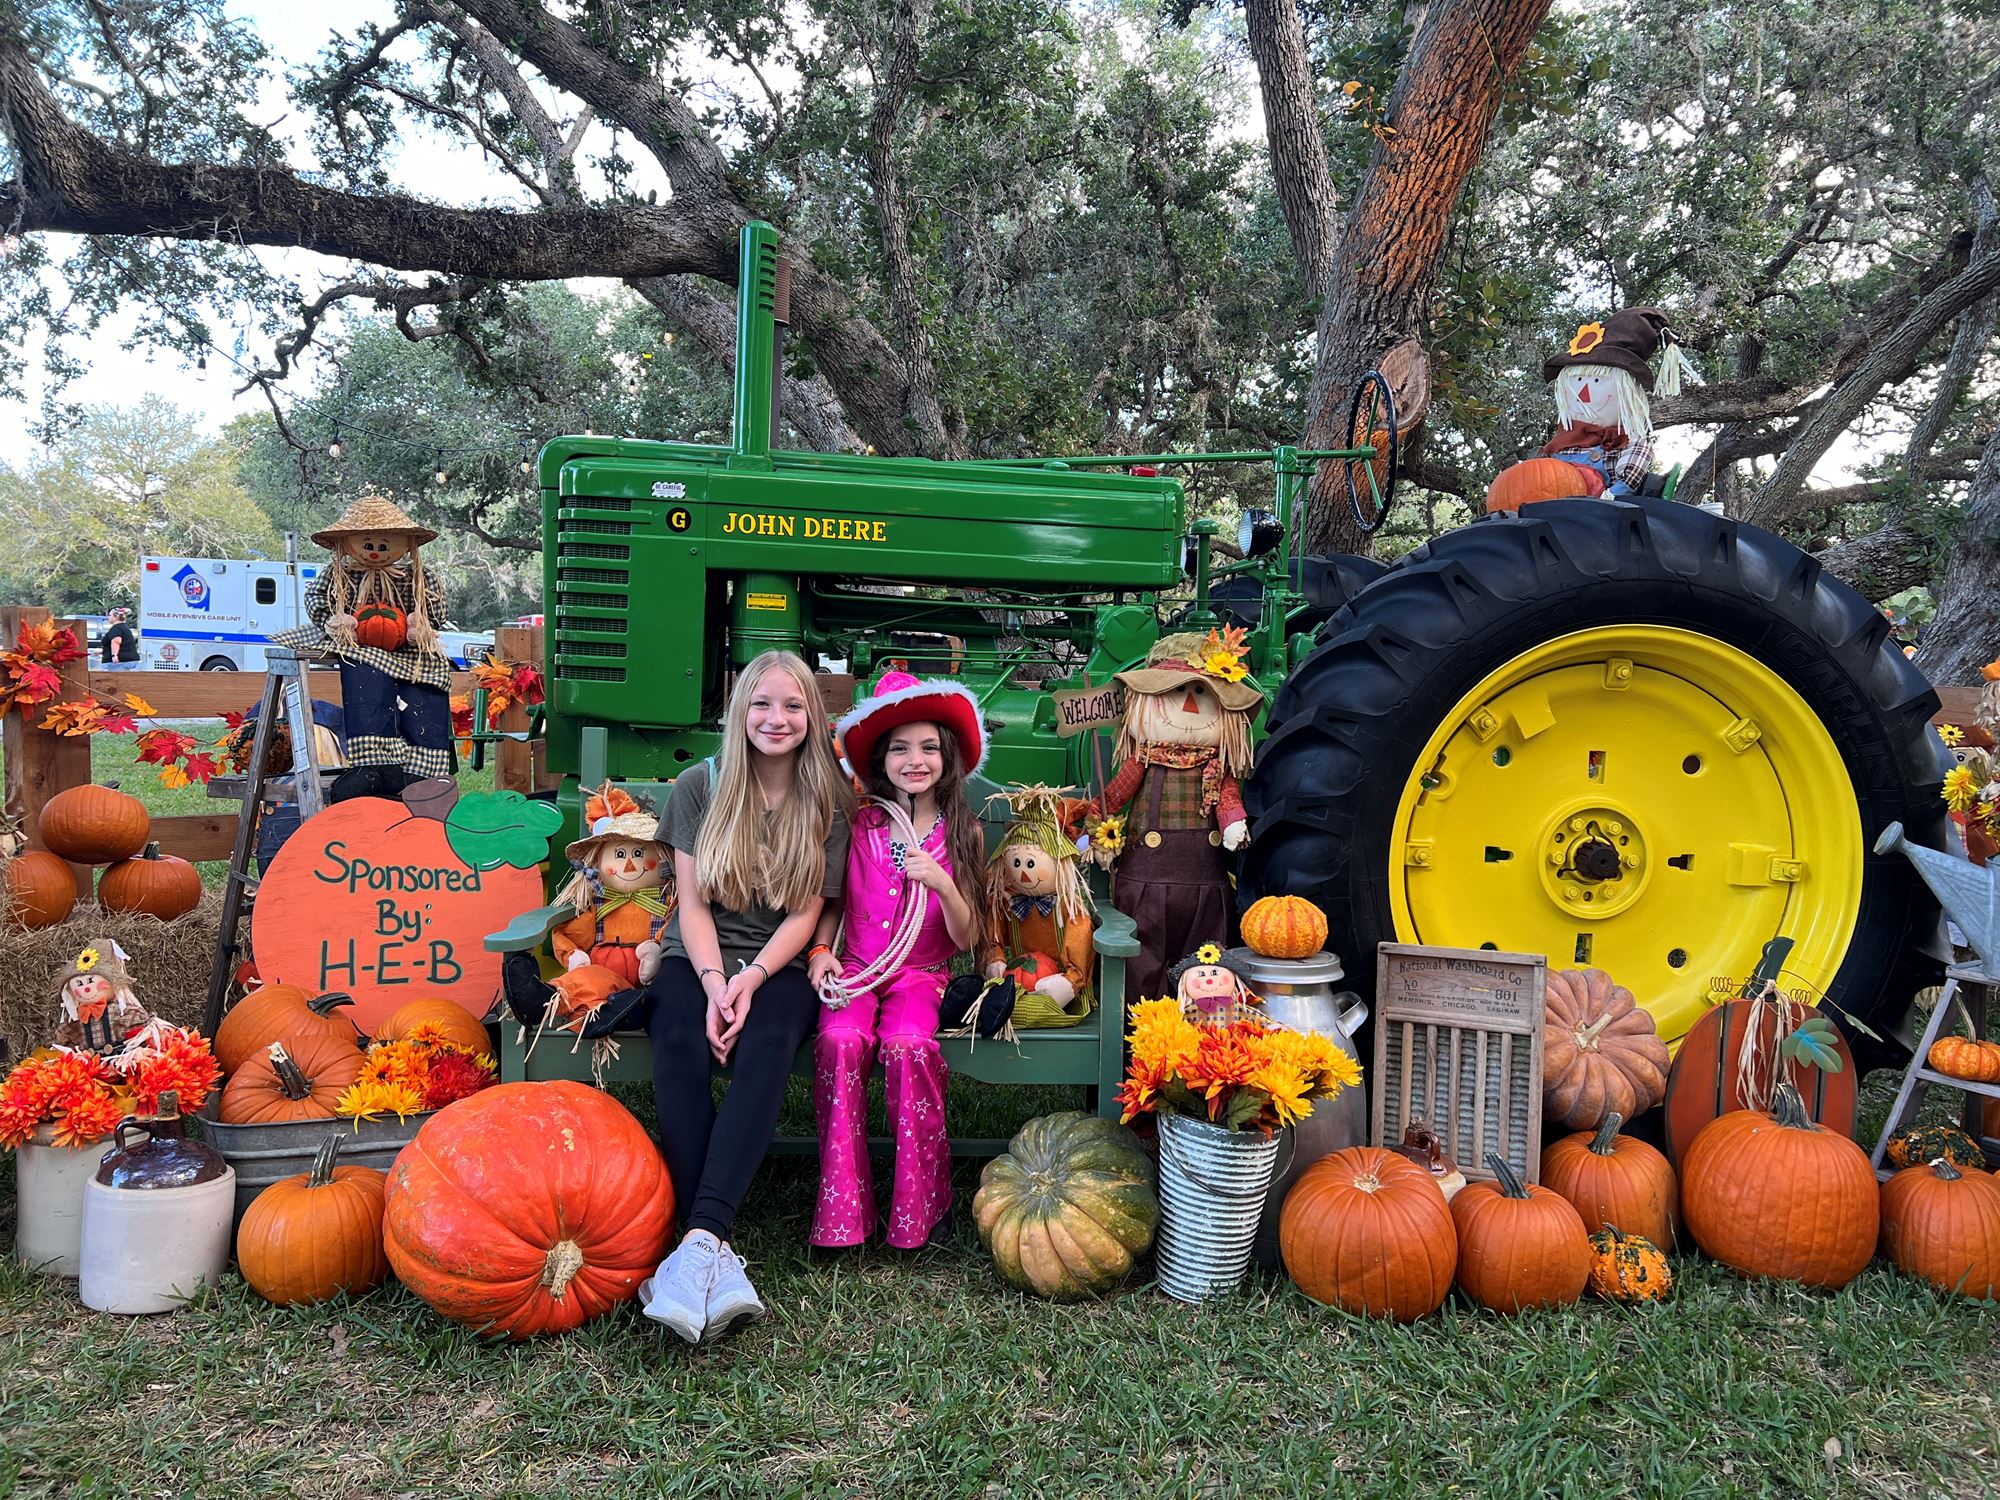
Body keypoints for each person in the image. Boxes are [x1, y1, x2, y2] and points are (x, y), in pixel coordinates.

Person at [623, 650, 851, 1343]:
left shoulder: (831, 799)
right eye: (762, 704)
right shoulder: (700, 785)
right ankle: (711, 1246)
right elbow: (689, 907)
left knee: (772, 1039)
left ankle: (696, 1245)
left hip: (778, 962)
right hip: (699, 953)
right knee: (680, 1035)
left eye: (791, 705)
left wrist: (751, 981)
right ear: (739, 711)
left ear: (812, 715)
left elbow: (807, 916)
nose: (776, 719)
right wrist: (717, 983)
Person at [807, 670, 987, 1249]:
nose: (916, 760)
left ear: (947, 757)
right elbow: (832, 904)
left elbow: (967, 937)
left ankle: (923, 1206)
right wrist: (819, 952)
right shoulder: (860, 825)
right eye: (901, 748)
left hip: (922, 976)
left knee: (909, 1046)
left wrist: (942, 882)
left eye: (929, 747)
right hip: (858, 969)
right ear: (881, 760)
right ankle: (843, 1214)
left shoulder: (963, 833)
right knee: (841, 1041)